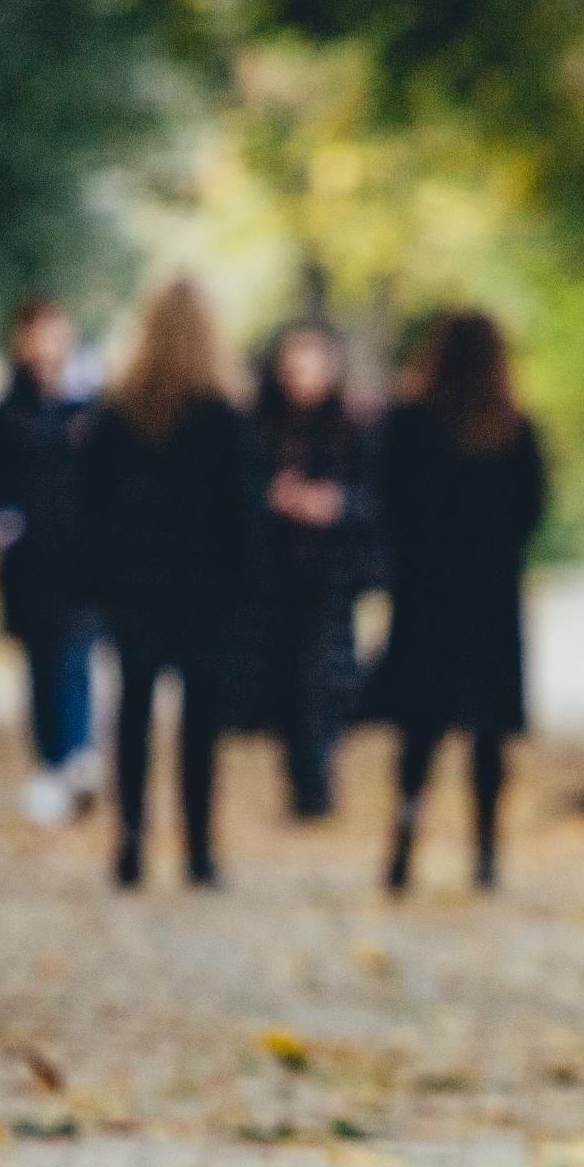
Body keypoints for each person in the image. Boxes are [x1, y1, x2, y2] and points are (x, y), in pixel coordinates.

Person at [365, 310, 548, 893]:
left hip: (427, 596)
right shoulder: (514, 428)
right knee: (487, 734)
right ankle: (486, 851)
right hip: (489, 597)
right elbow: (531, 510)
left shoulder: (408, 423)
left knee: (420, 730)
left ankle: (405, 830)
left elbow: (384, 499)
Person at [79, 278, 251, 890]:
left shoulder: (115, 415)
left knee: (133, 711)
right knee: (200, 721)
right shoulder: (226, 418)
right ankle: (199, 849)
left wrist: (100, 578)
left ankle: (129, 843)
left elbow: (88, 505)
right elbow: (243, 513)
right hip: (207, 590)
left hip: (136, 585)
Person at [248, 320, 378, 820]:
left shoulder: (352, 430)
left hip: (331, 576)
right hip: (276, 576)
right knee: (286, 680)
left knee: (325, 679)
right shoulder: (261, 429)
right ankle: (303, 779)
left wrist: (334, 506)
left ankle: (317, 778)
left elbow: (374, 499)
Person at [0, 298, 97, 825]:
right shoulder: (7, 412)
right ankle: (51, 763)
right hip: (29, 563)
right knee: (42, 666)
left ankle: (77, 754)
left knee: (75, 657)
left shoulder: (90, 407)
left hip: (82, 559)